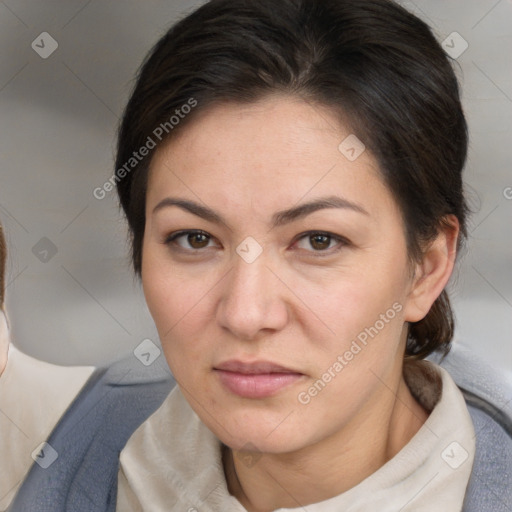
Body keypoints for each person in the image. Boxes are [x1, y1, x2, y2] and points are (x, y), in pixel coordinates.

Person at [1, 0, 511, 511]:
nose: (246, 314)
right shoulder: (41, 450)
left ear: (426, 267)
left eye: (318, 241)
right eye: (195, 239)